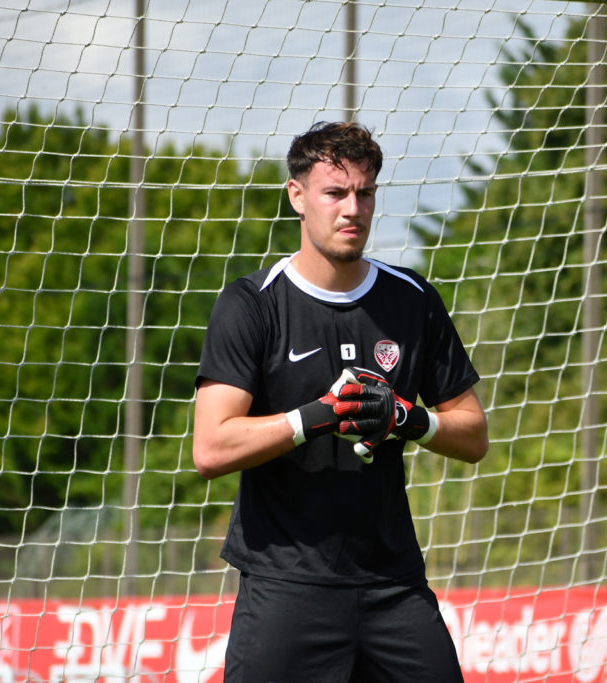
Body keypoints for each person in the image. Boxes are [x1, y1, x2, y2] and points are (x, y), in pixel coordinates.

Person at [192, 120, 488, 682]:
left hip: (393, 584)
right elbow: (211, 447)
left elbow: (473, 434)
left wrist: (405, 417)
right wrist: (320, 416)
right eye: (335, 193)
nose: (353, 209)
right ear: (297, 196)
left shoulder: (413, 300)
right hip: (285, 584)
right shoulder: (252, 304)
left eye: (365, 193)